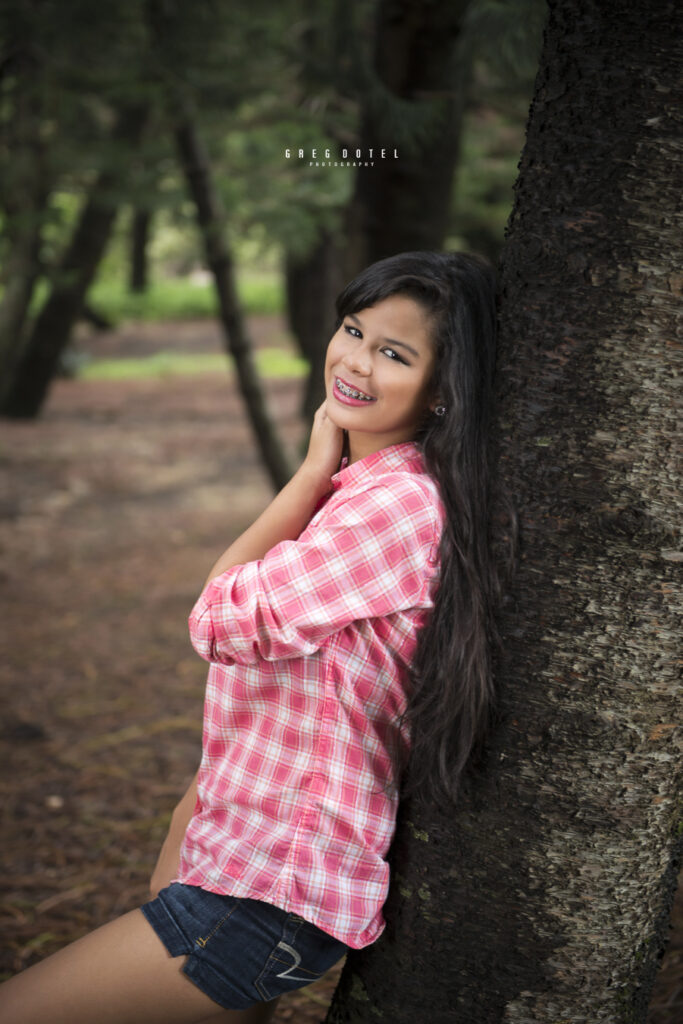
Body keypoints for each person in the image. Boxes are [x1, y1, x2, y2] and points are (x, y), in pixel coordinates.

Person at [0, 250, 499, 1024]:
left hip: (264, 893)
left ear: (442, 392)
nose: (356, 363)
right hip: (235, 860)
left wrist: (304, 476)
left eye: (394, 353)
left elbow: (218, 619)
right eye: (353, 330)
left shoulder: (397, 506)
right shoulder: (362, 496)